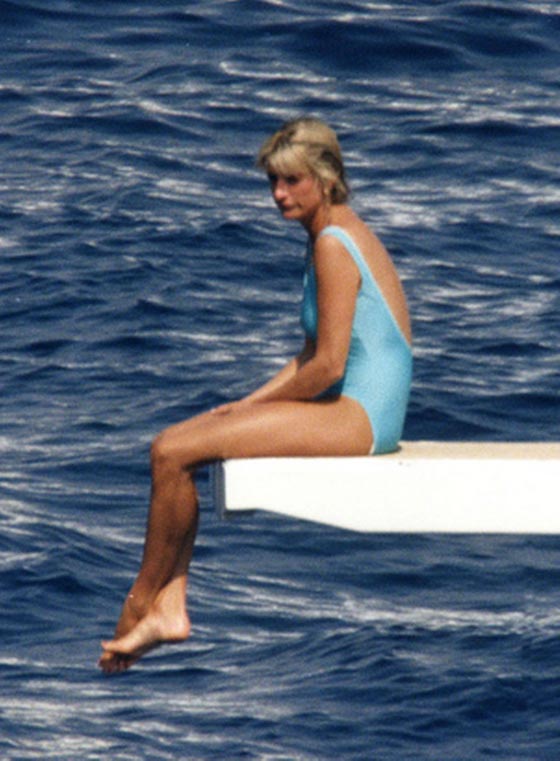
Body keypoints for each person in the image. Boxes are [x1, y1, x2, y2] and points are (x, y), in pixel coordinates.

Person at [99, 117, 413, 673]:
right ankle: (170, 604)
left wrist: (251, 410)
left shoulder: (333, 245)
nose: (278, 194)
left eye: (292, 181)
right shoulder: (330, 233)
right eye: (272, 181)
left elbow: (328, 366)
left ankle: (142, 603)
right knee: (177, 448)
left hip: (361, 417)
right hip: (359, 412)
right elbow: (310, 355)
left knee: (171, 451)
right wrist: (246, 405)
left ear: (326, 179)